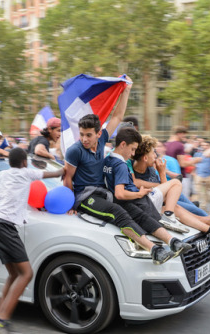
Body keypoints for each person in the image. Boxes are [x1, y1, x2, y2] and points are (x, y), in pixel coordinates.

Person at [63, 79, 178, 264]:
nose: (84, 139)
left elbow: (117, 117)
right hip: (85, 197)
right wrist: (70, 205)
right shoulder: (75, 150)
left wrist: (126, 90)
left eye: (88, 135)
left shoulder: (101, 141)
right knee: (118, 212)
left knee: (135, 210)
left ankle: (172, 241)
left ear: (99, 134)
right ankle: (153, 249)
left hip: (103, 192)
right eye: (82, 134)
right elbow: (67, 178)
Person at [0, 148, 63, 333]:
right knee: (26, 274)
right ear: (24, 162)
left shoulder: (2, 175)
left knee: (14, 274)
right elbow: (55, 173)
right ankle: (1, 320)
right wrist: (66, 167)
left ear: (9, 162)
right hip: (4, 226)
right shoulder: (26, 173)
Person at [134, 134, 210, 260]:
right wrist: (162, 181)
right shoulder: (133, 167)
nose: (157, 154)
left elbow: (164, 189)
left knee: (190, 205)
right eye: (154, 152)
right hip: (158, 202)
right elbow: (154, 188)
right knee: (188, 208)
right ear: (145, 156)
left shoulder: (150, 167)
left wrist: (162, 173)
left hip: (165, 196)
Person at [103, 128, 192, 257]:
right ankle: (171, 237)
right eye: (132, 149)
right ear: (123, 145)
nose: (133, 154)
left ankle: (173, 241)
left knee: (149, 217)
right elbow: (120, 193)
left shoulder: (107, 160)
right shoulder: (121, 165)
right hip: (133, 199)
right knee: (175, 185)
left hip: (126, 201)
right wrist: (139, 194)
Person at [165, 126, 202, 199]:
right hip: (181, 176)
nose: (184, 136)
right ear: (179, 133)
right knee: (184, 199)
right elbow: (182, 164)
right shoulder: (179, 145)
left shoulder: (166, 144)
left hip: (169, 176)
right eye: (184, 134)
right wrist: (196, 160)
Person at [193, 139, 210, 212]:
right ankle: (203, 210)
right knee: (200, 194)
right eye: (203, 145)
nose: (205, 147)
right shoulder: (198, 153)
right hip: (199, 176)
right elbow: (193, 163)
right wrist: (194, 173)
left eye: (207, 145)